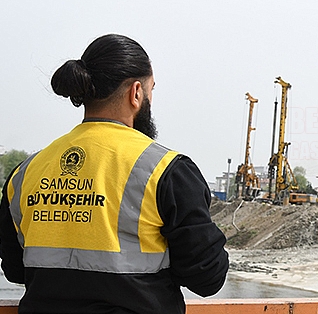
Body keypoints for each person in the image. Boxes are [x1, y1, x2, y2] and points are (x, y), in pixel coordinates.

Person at [0, 34, 229, 313]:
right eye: (151, 90)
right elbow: (207, 277)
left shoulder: (25, 172)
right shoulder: (167, 170)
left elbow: (15, 270)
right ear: (136, 93)